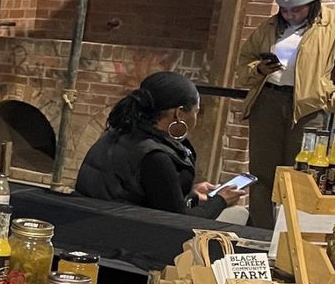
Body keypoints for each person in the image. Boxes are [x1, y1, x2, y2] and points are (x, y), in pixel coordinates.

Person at [239, 0, 335, 227]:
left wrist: (328, 99)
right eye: (285, 10)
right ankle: (260, 232)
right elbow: (244, 61)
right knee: (262, 174)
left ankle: (291, 234)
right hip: (269, 102)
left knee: (300, 176)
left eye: (297, 9)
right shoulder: (270, 26)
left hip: (309, 109)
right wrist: (259, 69)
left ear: (313, 3)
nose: (290, 14)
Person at [76, 71, 244, 219]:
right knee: (241, 215)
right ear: (179, 113)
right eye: (196, 111)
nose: (196, 117)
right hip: (124, 232)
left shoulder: (119, 132)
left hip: (96, 219)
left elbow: (149, 195)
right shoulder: (155, 156)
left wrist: (191, 194)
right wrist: (221, 200)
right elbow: (179, 221)